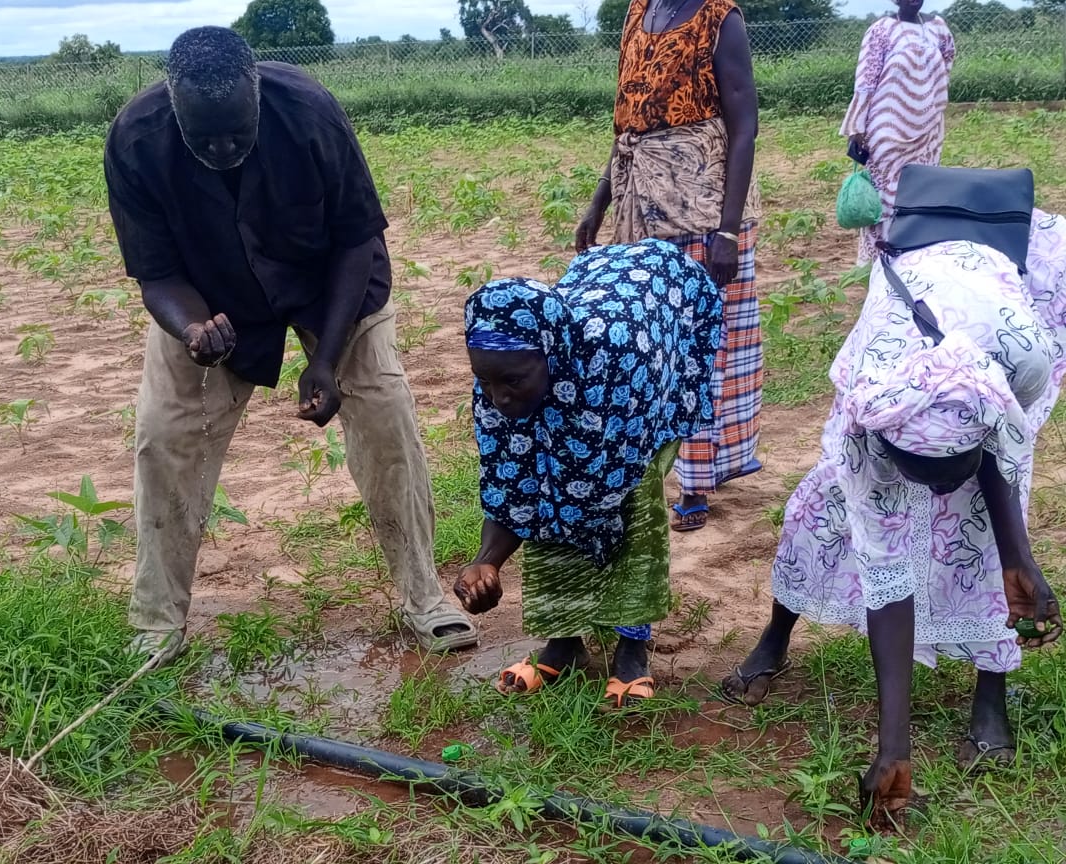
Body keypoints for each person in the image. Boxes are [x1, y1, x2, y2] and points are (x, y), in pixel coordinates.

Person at [104, 26, 476, 665]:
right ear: (173, 104)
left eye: (236, 131)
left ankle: (424, 597)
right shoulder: (137, 139)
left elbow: (358, 240)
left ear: (255, 94)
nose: (223, 147)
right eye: (205, 136)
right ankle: (157, 620)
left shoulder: (307, 111)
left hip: (329, 287)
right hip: (208, 299)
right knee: (163, 435)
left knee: (387, 415)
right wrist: (193, 330)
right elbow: (156, 273)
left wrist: (326, 360)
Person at [723, 214, 1066, 828]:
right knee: (825, 511)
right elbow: (888, 580)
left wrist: (1019, 557)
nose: (936, 492)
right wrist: (893, 748)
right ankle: (775, 638)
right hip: (911, 307)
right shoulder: (867, 405)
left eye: (948, 471)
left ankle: (991, 695)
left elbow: (1003, 455)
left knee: (978, 536)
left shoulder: (1023, 361)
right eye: (921, 474)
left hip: (1002, 310)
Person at [453, 240, 722, 709]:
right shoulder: (499, 383)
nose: (498, 398)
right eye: (486, 381)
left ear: (551, 356)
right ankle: (564, 643)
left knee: (632, 508)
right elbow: (514, 486)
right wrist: (486, 560)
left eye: (512, 381)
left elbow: (598, 493)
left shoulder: (615, 370)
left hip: (648, 344)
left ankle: (632, 649)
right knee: (549, 490)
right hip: (597, 329)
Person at [576, 0, 762, 534]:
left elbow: (744, 125)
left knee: (704, 350)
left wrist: (727, 231)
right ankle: (645, 470)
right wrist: (598, 202)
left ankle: (697, 480)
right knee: (645, 346)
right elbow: (625, 129)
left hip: (703, 214)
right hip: (639, 208)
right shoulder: (639, 13)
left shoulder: (718, 18)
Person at [842, 0, 956, 264]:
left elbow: (947, 63)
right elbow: (865, 81)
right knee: (884, 200)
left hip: (928, 132)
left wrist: (931, 98)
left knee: (920, 193)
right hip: (887, 131)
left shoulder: (939, 29)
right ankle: (878, 265)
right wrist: (857, 128)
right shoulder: (882, 30)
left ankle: (911, 260)